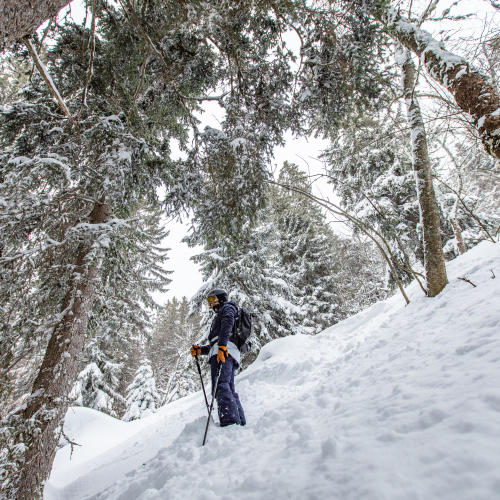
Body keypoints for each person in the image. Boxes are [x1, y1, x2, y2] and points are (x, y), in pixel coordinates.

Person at [190, 288, 246, 427]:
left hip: (224, 353)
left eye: (212, 300)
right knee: (227, 387)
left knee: (220, 386)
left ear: (221, 298)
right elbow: (215, 344)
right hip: (225, 352)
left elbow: (228, 323)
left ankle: (230, 424)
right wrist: (201, 350)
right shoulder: (221, 315)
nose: (210, 304)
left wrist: (222, 347)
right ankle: (239, 423)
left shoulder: (227, 308)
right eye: (208, 301)